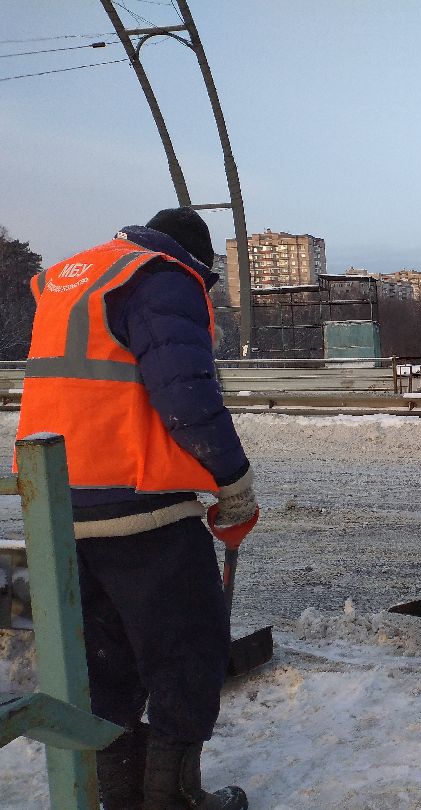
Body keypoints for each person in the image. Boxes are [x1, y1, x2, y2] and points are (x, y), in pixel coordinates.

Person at [15, 207, 257, 808]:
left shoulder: (76, 275)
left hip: (57, 507)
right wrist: (233, 481)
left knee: (106, 662)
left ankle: (121, 797)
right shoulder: (163, 275)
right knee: (187, 653)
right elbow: (186, 396)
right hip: (139, 503)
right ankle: (173, 799)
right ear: (195, 261)